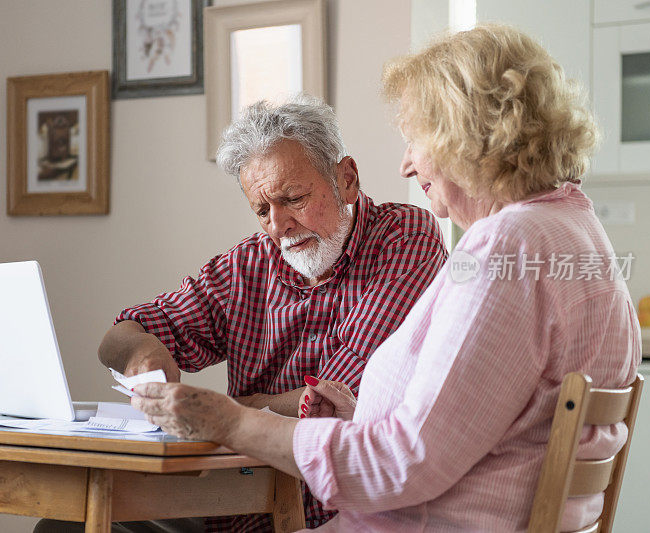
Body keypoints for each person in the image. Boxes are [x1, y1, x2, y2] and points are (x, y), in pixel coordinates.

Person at [131, 24, 641, 532]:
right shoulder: (575, 229)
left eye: (415, 139)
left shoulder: (503, 246)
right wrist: (359, 412)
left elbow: (402, 464)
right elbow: (473, 423)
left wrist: (232, 421)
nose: (405, 164)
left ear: (463, 138)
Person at [96, 96, 448, 532]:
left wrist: (222, 413)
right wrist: (142, 357)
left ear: (347, 179)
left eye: (294, 198)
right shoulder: (248, 264)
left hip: (334, 514)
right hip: (238, 507)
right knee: (63, 526)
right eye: (262, 210)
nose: (278, 225)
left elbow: (328, 402)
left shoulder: (403, 237)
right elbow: (120, 335)